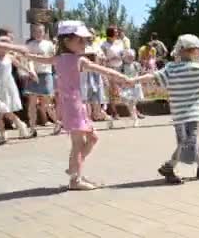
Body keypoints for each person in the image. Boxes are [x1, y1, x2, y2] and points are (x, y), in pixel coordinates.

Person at [27, 20, 131, 190]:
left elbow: (39, 58)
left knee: (92, 138)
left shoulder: (61, 58)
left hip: (74, 104)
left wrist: (25, 55)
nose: (84, 44)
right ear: (66, 41)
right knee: (78, 143)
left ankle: (75, 169)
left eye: (85, 40)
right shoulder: (77, 60)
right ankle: (75, 179)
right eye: (80, 40)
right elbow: (103, 70)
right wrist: (124, 79)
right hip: (72, 105)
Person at [133, 34, 199, 184]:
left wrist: (133, 80)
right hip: (189, 114)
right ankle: (169, 167)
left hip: (182, 114)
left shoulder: (172, 68)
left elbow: (152, 77)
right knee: (186, 142)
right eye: (196, 50)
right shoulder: (196, 68)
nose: (198, 53)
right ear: (189, 51)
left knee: (189, 141)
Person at [0, 38, 29, 149]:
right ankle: (3, 134)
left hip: (5, 87)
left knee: (4, 111)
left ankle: (19, 125)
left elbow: (20, 66)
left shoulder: (9, 57)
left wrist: (29, 72)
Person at [25, 23, 60, 137]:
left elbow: (54, 59)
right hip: (34, 75)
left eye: (40, 31)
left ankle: (58, 123)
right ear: (32, 32)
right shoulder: (29, 44)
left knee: (46, 104)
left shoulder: (49, 44)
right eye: (35, 31)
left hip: (46, 74)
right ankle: (32, 128)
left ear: (44, 32)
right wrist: (31, 70)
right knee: (32, 104)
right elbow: (29, 59)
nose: (38, 33)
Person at [80, 46, 111, 125]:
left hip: (95, 83)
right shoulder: (80, 48)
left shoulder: (97, 48)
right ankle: (88, 121)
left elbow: (103, 65)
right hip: (85, 83)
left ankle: (105, 116)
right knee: (85, 102)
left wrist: (105, 81)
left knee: (97, 112)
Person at [101, 26, 124, 120]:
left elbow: (123, 54)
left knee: (122, 89)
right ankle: (114, 111)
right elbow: (102, 59)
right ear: (110, 33)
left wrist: (123, 56)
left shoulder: (120, 43)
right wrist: (110, 59)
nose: (117, 33)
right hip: (110, 68)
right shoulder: (104, 45)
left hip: (120, 67)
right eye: (115, 32)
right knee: (113, 91)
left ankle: (133, 110)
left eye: (117, 32)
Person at [120, 49, 144, 128]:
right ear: (124, 57)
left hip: (135, 86)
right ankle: (134, 116)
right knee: (128, 102)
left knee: (132, 104)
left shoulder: (136, 65)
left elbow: (140, 74)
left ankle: (135, 118)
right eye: (128, 56)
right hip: (126, 87)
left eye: (132, 56)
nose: (130, 58)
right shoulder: (122, 66)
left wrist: (136, 80)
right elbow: (120, 76)